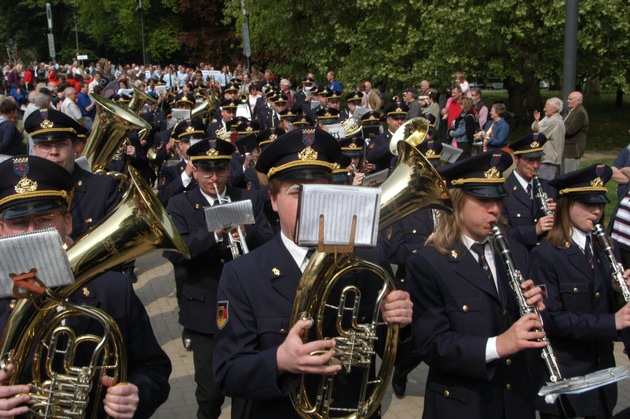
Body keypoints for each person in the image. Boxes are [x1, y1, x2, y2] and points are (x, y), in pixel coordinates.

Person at [212, 127, 413, 418]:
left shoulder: (367, 260)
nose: (310, 203)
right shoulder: (241, 274)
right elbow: (227, 373)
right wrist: (279, 360)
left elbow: (393, 354)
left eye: (321, 191)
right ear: (273, 200)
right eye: (296, 192)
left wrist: (397, 323)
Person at [0, 155, 171, 418]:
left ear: (67, 222)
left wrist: (136, 392)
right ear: (2, 229)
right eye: (20, 223)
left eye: (45, 219)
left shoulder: (114, 289)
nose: (33, 232)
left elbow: (154, 369)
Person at [406, 150, 548, 419]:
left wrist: (539, 309)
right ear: (458, 201)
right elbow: (432, 345)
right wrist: (498, 345)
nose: (495, 208)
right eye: (483, 199)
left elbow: (527, 328)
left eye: (498, 199)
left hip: (515, 400)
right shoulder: (429, 262)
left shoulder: (516, 252)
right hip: (463, 405)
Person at [164, 137, 274, 419]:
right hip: (204, 307)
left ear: (229, 169)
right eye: (206, 172)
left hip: (246, 307)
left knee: (246, 390)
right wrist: (215, 233)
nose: (214, 178)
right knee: (210, 393)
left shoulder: (245, 197)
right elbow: (177, 253)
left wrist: (247, 232)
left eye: (221, 170)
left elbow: (271, 242)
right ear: (195, 170)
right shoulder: (180, 204)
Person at [530, 164, 630, 418]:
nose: (597, 211)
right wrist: (613, 321)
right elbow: (552, 320)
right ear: (567, 205)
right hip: (566, 373)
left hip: (602, 371)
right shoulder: (546, 254)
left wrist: (619, 292)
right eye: (588, 204)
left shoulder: (607, 247)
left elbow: (606, 305)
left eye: (600, 204)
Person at [388, 137, 443, 398]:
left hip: (445, 279)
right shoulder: (404, 206)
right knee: (414, 342)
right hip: (412, 281)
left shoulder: (447, 202)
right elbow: (395, 251)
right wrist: (427, 246)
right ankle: (400, 369)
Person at [503, 133, 557, 251]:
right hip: (520, 256)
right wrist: (534, 231)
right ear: (516, 159)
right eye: (530, 161)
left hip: (547, 256)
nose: (536, 166)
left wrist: (559, 213)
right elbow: (503, 233)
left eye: (538, 160)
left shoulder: (549, 188)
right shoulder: (504, 191)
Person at [365, 103, 407, 174]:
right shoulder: (378, 138)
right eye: (396, 119)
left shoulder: (409, 138)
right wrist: (395, 141)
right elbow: (370, 156)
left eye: (402, 119)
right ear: (388, 120)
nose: (400, 122)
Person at [531, 97, 565, 180]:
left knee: (545, 184)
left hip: (549, 158)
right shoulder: (547, 119)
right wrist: (536, 120)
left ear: (554, 109)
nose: (544, 109)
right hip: (546, 158)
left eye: (546, 106)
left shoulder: (554, 121)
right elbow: (535, 128)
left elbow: (539, 134)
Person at [562, 91, 589, 174]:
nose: (568, 101)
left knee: (569, 176)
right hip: (565, 150)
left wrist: (557, 127)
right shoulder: (570, 111)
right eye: (568, 99)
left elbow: (570, 130)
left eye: (570, 99)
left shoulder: (580, 113)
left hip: (572, 151)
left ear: (578, 101)